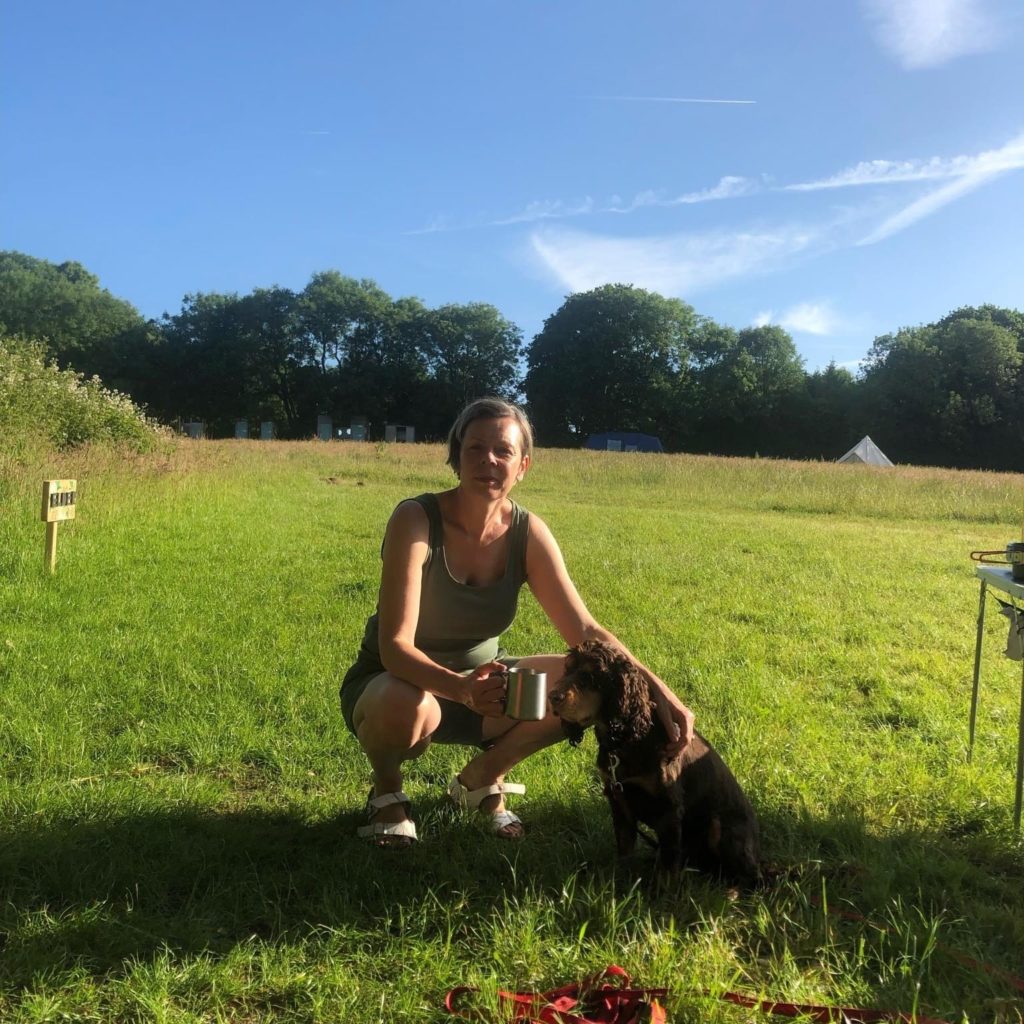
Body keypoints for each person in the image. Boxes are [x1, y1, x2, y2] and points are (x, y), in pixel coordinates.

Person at [339, 397, 695, 846]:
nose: (489, 459)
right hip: (396, 685)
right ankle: (387, 790)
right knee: (404, 704)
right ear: (456, 456)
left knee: (590, 679)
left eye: (503, 451)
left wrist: (659, 691)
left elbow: (586, 632)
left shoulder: (529, 533)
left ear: (522, 464)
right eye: (475, 448)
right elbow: (395, 648)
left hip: (485, 684)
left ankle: (482, 780)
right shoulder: (416, 519)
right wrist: (464, 690)